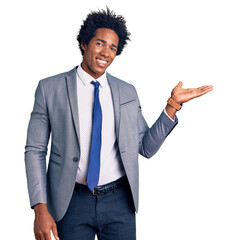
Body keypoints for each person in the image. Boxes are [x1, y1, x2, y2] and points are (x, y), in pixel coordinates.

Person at [24, 7, 213, 240]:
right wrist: (40, 207)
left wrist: (172, 105)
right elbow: (35, 150)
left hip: (119, 202)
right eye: (100, 43)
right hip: (70, 202)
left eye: (113, 48)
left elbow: (145, 148)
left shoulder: (127, 92)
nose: (106, 53)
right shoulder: (49, 88)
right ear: (84, 43)